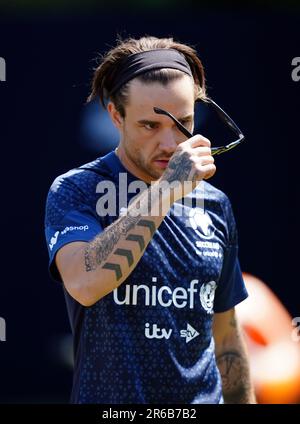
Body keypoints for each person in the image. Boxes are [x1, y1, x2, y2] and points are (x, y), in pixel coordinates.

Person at [44, 35, 256, 404]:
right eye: (150, 126)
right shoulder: (77, 189)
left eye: (184, 122)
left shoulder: (215, 203)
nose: (171, 143)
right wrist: (167, 189)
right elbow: (85, 282)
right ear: (116, 116)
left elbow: (225, 338)